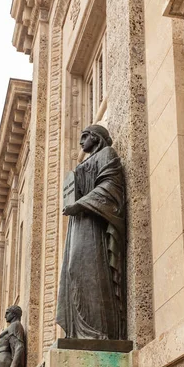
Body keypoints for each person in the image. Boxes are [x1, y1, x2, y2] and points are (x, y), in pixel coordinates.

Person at [56, 124, 126, 340]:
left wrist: (81, 204)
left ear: (96, 138)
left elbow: (111, 187)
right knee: (73, 270)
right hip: (78, 223)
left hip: (93, 224)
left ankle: (99, 332)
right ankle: (79, 332)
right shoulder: (84, 162)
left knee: (88, 270)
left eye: (85, 136)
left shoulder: (107, 154)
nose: (80, 142)